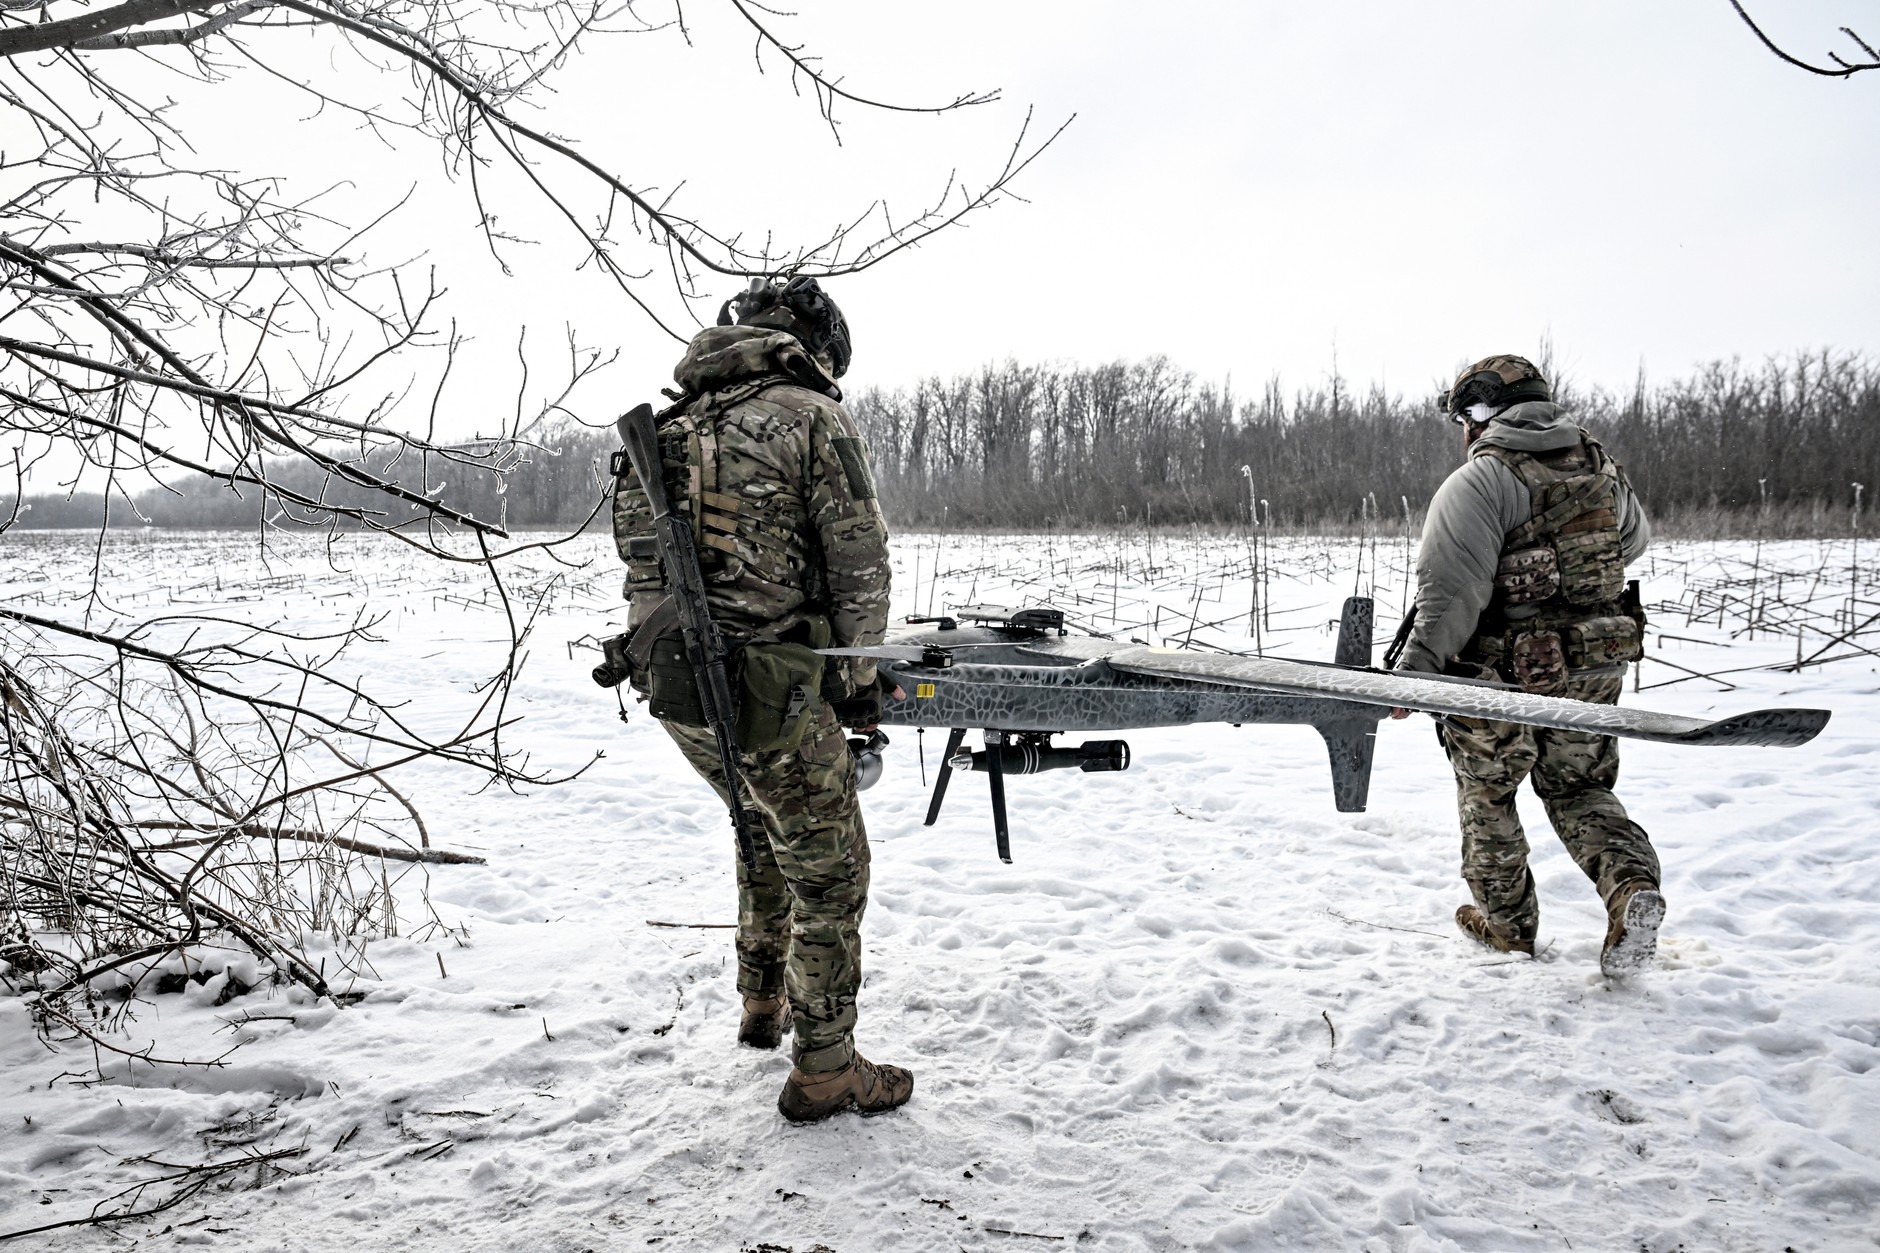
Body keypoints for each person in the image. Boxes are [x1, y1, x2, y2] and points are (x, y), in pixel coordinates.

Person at [612, 276, 911, 1120]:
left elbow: (641, 567)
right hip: (770, 691)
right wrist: (857, 686)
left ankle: (760, 999)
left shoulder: (669, 428)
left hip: (678, 692)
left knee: (759, 824)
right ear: (815, 347)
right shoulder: (810, 415)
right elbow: (860, 564)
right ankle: (827, 1066)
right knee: (831, 871)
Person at [1392, 354, 1665, 977]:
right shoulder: (1601, 468)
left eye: (1463, 417)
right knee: (1580, 788)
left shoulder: (1481, 480)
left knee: (1488, 794)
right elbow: (1631, 542)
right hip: (1593, 668)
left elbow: (1450, 595)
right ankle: (1630, 889)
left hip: (1501, 679)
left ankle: (1508, 928)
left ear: (1480, 411)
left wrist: (1417, 676)